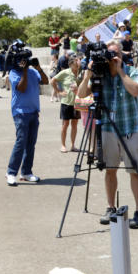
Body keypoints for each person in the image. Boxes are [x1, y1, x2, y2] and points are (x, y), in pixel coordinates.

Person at [77, 39, 138, 228]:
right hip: (108, 128)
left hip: (129, 130)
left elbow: (136, 91)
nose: (112, 57)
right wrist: (87, 75)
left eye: (116, 53)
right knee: (110, 170)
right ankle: (110, 207)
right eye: (110, 54)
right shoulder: (100, 75)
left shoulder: (132, 71)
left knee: (134, 171)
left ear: (122, 55)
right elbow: (82, 95)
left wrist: (121, 71)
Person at [5, 52, 48, 185]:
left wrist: (38, 68)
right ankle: (11, 172)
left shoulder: (32, 72)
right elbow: (21, 88)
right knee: (21, 142)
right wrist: (24, 71)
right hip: (20, 112)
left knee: (31, 144)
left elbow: (45, 81)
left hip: (34, 112)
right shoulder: (13, 73)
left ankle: (26, 172)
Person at [52, 54, 81, 152]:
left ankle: (73, 145)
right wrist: (59, 91)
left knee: (75, 124)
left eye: (78, 61)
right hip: (66, 102)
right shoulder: (65, 72)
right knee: (65, 124)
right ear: (71, 63)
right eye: (76, 61)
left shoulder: (80, 72)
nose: (78, 63)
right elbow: (53, 80)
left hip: (77, 102)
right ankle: (63, 145)